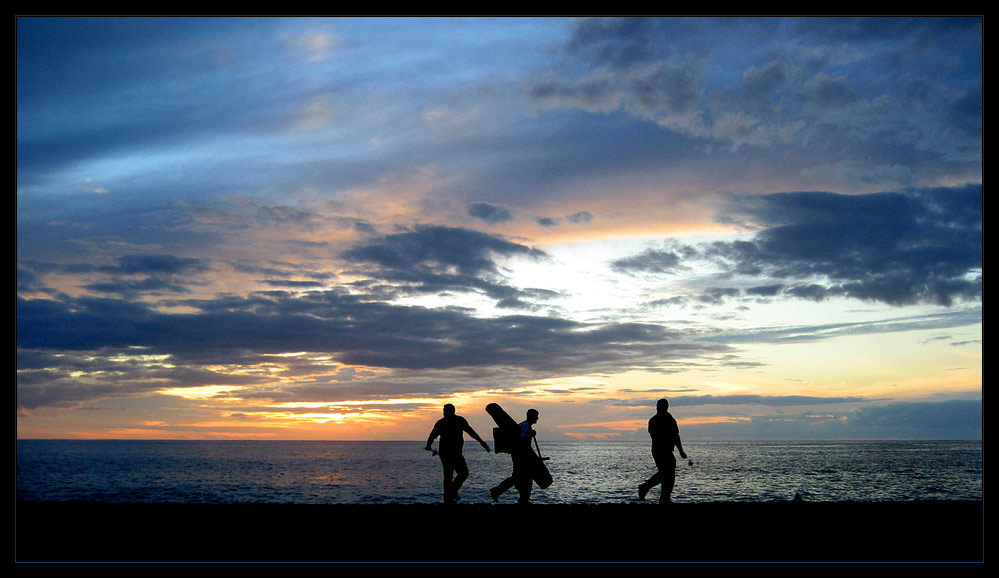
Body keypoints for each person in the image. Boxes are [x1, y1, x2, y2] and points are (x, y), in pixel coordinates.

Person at [425, 403, 490, 504]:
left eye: (444, 411)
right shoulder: (458, 420)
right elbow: (470, 432)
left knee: (451, 475)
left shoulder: (443, 422)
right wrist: (481, 441)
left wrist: (429, 446)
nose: (444, 413)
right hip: (452, 453)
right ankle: (450, 495)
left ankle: (449, 496)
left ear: (447, 411)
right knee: (460, 473)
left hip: (449, 453)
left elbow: (432, 436)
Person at [638, 398, 687, 503]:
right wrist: (680, 451)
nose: (658, 408)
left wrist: (680, 451)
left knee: (667, 473)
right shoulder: (660, 420)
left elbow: (675, 436)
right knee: (667, 473)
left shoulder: (665, 419)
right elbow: (672, 436)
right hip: (661, 451)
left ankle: (664, 497)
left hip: (661, 450)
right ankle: (648, 488)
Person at [490, 408, 539, 504]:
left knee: (524, 477)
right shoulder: (525, 425)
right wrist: (530, 434)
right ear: (531, 416)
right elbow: (521, 438)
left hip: (520, 455)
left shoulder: (523, 424)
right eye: (536, 416)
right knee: (519, 477)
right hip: (520, 456)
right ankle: (497, 491)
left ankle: (523, 499)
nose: (537, 418)